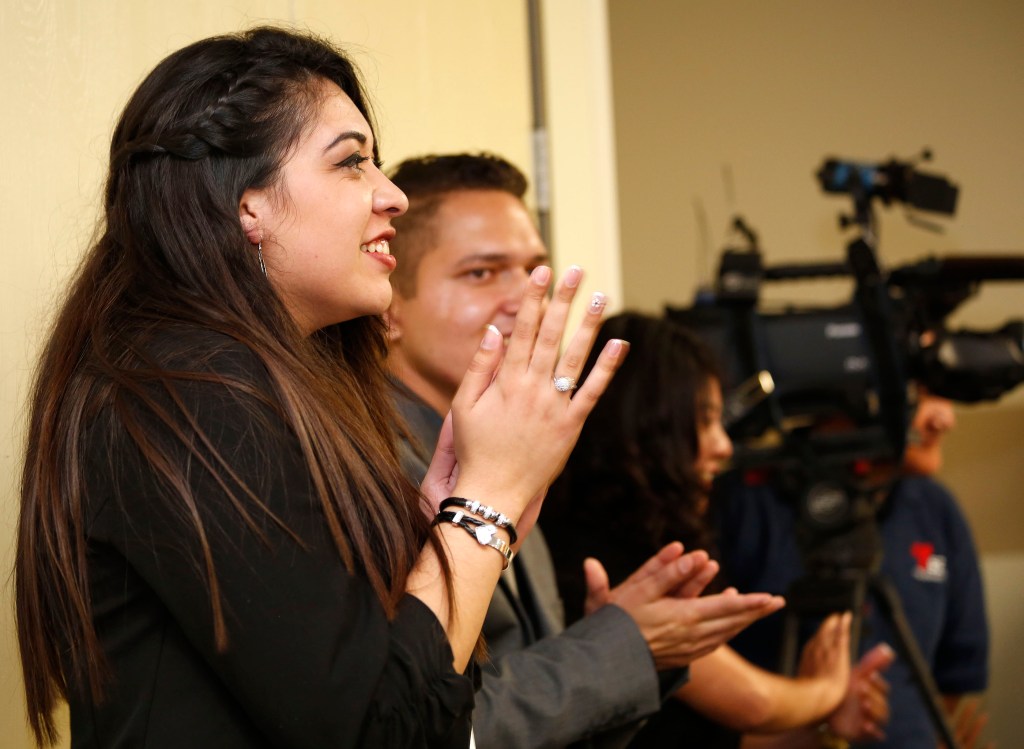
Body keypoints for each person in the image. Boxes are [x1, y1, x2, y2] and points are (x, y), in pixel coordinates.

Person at [16, 28, 631, 749]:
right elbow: (380, 729)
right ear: (247, 205)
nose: (392, 195)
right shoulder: (191, 394)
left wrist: (441, 526)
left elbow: (421, 708)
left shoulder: (249, 387)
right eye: (351, 163)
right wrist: (486, 505)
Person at [385, 152, 786, 748]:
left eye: (535, 270)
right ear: (390, 305)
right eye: (482, 273)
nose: (526, 299)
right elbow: (415, 723)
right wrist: (616, 649)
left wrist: (620, 645)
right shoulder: (366, 467)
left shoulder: (510, 446)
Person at [543, 312, 893, 749]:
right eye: (705, 420)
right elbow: (751, 703)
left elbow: (718, 733)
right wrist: (828, 687)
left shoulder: (656, 537)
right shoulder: (601, 556)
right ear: (648, 424)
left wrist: (820, 727)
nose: (724, 445)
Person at [716, 383, 990, 749]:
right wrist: (818, 712)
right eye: (920, 396)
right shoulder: (742, 502)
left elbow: (955, 676)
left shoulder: (935, 507)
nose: (945, 419)